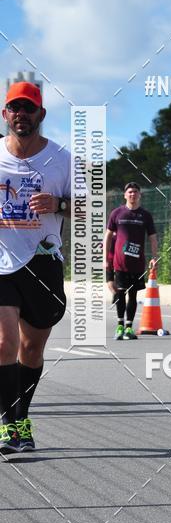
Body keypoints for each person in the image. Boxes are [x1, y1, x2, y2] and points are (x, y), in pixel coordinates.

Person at [0, 82, 70, 453]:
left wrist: (58, 206)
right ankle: (9, 424)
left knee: (31, 349)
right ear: (4, 114)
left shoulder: (62, 159)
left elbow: (89, 209)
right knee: (4, 342)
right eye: (15, 108)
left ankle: (21, 415)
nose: (21, 114)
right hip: (2, 263)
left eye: (28, 108)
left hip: (43, 263)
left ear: (41, 115)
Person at [104, 182, 158, 340]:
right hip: (119, 262)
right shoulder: (117, 213)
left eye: (135, 192)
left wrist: (154, 257)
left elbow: (153, 238)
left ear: (139, 194)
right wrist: (105, 258)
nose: (132, 194)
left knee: (133, 295)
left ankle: (129, 328)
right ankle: (120, 326)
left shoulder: (145, 215)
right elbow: (108, 236)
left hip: (138, 263)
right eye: (130, 192)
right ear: (125, 195)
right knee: (120, 292)